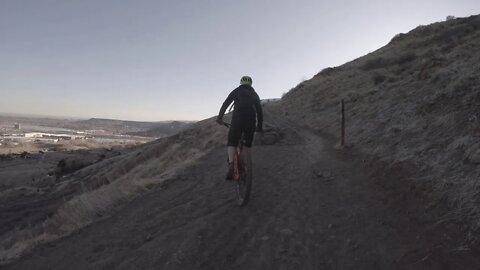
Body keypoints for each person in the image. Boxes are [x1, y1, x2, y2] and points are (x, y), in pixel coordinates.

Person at [216, 75, 263, 180]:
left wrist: (220, 118)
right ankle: (247, 162)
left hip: (237, 120)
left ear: (241, 82)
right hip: (251, 121)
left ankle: (232, 165)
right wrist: (259, 127)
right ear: (251, 84)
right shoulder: (254, 94)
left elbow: (225, 104)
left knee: (232, 142)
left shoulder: (236, 91)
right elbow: (259, 112)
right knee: (247, 143)